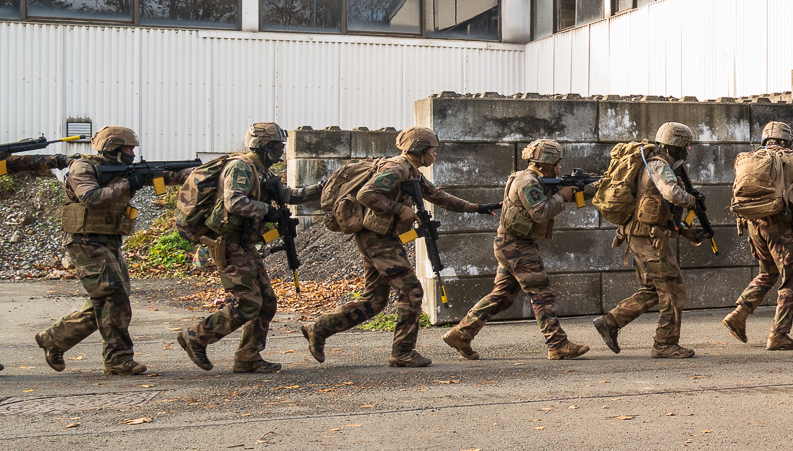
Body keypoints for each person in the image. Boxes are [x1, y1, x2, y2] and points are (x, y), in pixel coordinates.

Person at [300, 126, 497, 367]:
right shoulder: (397, 168)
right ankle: (402, 352)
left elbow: (438, 196)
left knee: (374, 300)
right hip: (376, 238)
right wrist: (399, 209)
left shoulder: (411, 171)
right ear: (419, 149)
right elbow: (366, 194)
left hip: (381, 236)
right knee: (412, 290)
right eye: (432, 150)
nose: (435, 154)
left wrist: (476, 208)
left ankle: (318, 329)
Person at [32, 126, 185, 376]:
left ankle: (54, 339)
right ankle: (117, 358)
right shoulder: (83, 168)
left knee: (109, 300)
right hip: (85, 241)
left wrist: (201, 172)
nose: (132, 153)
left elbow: (169, 176)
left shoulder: (126, 170)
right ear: (113, 147)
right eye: (128, 148)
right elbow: (91, 197)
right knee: (113, 298)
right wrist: (127, 183)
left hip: (109, 241)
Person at [174, 122, 321, 374]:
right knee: (247, 303)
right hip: (229, 245)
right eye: (276, 146)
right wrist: (268, 211)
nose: (280, 151)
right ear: (261, 145)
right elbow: (234, 202)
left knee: (266, 303)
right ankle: (196, 336)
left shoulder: (261, 171)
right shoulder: (241, 166)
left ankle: (247, 356)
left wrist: (320, 189)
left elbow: (287, 195)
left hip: (245, 245)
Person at [438, 139, 590, 360]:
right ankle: (557, 344)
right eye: (557, 162)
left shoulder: (531, 178)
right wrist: (563, 195)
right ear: (545, 162)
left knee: (502, 296)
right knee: (541, 294)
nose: (559, 166)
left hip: (511, 244)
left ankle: (461, 333)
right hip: (516, 246)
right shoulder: (528, 181)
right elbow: (540, 213)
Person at [592, 122, 701, 359]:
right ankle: (665, 344)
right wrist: (691, 201)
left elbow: (657, 211)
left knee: (653, 289)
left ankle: (610, 322)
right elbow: (672, 194)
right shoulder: (659, 165)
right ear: (678, 146)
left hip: (641, 235)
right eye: (687, 146)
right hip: (648, 239)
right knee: (673, 289)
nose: (689, 151)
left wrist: (684, 231)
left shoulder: (652, 164)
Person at [721, 121, 793, 351]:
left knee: (768, 272)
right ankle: (779, 334)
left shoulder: (751, 159)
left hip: (753, 225)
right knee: (790, 278)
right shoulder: (790, 159)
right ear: (787, 140)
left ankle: (739, 313)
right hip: (778, 226)